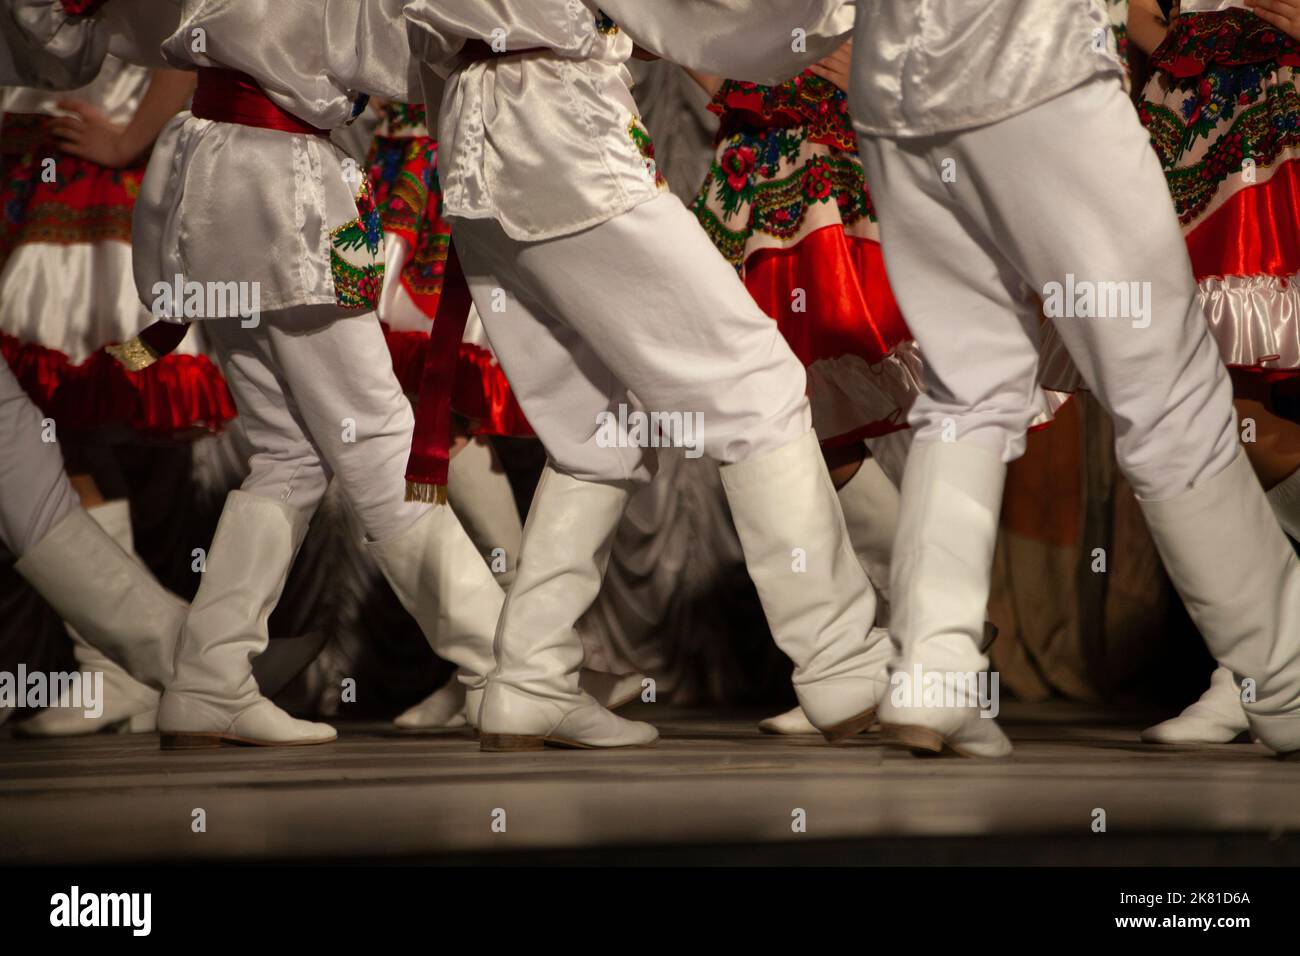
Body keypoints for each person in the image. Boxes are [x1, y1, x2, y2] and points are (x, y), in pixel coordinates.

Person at [404, 0, 893, 751]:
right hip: (562, 139)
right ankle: (845, 662)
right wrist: (829, 22)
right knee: (756, 385)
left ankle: (529, 682)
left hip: (472, 151)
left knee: (596, 431)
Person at [849, 0, 1300, 758]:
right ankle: (1285, 682)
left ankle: (933, 671)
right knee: (1171, 393)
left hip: (897, 85)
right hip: (1032, 62)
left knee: (969, 384)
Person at [125, 0, 507, 748]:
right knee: (380, 441)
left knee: (289, 452)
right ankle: (511, 671)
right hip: (281, 188)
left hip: (210, 181)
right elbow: (392, 58)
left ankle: (207, 680)